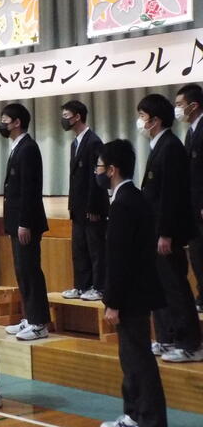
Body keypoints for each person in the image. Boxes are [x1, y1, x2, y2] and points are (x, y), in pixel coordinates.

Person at [96, 139, 168, 427]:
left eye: (100, 166)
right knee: (132, 357)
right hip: (137, 292)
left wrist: (113, 302)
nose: (97, 172)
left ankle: (148, 418)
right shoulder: (133, 198)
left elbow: (120, 258)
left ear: (112, 170)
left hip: (131, 296)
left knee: (138, 359)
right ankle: (134, 414)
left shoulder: (124, 204)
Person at [136, 93, 202, 362]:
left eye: (142, 116)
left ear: (155, 120)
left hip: (167, 233)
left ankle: (190, 344)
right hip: (153, 230)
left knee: (175, 287)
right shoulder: (159, 145)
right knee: (160, 287)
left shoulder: (171, 147)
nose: (140, 121)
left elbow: (171, 196)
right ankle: (167, 337)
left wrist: (165, 233)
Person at [0, 103, 51, 341]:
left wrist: (24, 222)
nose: (2, 125)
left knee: (30, 271)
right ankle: (30, 317)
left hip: (25, 222)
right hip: (16, 221)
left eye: (5, 120)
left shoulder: (28, 148)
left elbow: (30, 189)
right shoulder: (17, 147)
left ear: (17, 122)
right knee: (21, 270)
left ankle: (39, 323)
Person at [60, 100, 109, 301]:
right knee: (79, 248)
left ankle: (99, 287)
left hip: (92, 207)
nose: (63, 120)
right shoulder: (75, 143)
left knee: (96, 249)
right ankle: (81, 286)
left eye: (66, 116)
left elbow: (96, 177)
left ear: (78, 117)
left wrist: (94, 206)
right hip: (78, 206)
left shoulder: (94, 142)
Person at [175, 84, 203, 313]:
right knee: (196, 252)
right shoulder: (191, 131)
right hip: (192, 204)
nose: (177, 109)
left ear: (193, 105)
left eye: (179, 105)